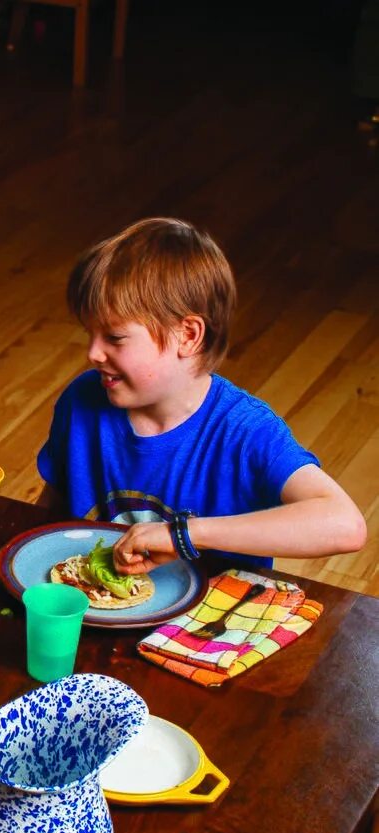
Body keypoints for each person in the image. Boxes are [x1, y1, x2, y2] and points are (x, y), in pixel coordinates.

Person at [37, 217, 366, 572]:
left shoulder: (245, 430)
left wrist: (184, 535)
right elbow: (51, 507)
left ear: (189, 336)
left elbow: (345, 525)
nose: (93, 353)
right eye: (90, 334)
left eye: (114, 338)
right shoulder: (81, 400)